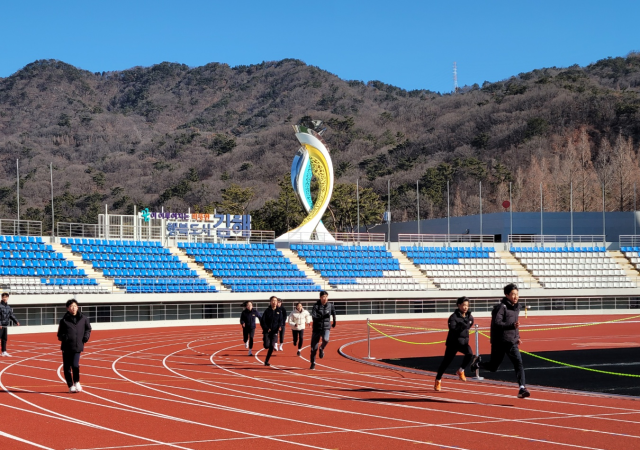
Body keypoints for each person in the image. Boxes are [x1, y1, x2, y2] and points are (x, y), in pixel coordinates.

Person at [471, 283, 530, 399]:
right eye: (513, 294)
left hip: (511, 342)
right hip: (499, 341)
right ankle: (477, 364)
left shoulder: (517, 307)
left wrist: (517, 337)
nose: (515, 297)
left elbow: (515, 324)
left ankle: (522, 388)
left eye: (517, 294)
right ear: (506, 295)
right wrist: (511, 326)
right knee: (493, 367)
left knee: (518, 363)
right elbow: (497, 323)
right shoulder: (500, 307)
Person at [434, 296, 474, 391]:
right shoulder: (453, 317)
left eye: (467, 305)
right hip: (453, 343)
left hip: (463, 343)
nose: (465, 307)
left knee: (470, 354)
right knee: (446, 363)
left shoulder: (469, 316)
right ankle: (438, 380)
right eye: (464, 305)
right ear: (459, 305)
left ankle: (461, 371)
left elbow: (470, 324)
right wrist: (461, 326)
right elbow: (453, 329)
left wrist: (465, 326)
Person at [57, 299, 92, 393]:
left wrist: (86, 337)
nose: (73, 308)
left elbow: (88, 329)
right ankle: (70, 385)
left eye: (75, 306)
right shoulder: (63, 320)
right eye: (71, 306)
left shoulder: (83, 318)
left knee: (75, 365)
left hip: (78, 346)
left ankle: (77, 382)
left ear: (78, 307)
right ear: (67, 308)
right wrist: (65, 337)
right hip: (67, 346)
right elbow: (59, 335)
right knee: (67, 367)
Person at [309, 290, 336, 370]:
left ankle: (322, 348)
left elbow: (333, 313)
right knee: (314, 348)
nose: (325, 298)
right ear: (320, 297)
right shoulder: (316, 306)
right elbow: (314, 316)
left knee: (326, 339)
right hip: (317, 328)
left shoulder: (330, 305)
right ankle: (313, 363)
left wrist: (334, 322)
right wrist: (322, 316)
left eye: (326, 297)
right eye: (323, 297)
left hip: (326, 327)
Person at [260, 296, 282, 367]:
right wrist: (266, 328)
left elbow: (281, 321)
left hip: (274, 331)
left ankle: (266, 361)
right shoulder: (267, 311)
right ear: (270, 302)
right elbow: (262, 321)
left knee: (272, 346)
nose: (274, 302)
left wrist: (280, 326)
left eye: (275, 301)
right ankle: (265, 340)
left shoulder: (279, 311)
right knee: (266, 346)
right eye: (273, 300)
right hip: (267, 331)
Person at [0, 292, 20, 356]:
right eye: (3, 297)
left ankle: (4, 351)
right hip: (0, 325)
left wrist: (16, 321)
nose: (5, 298)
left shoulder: (8, 307)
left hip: (5, 325)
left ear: (8, 298)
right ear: (1, 298)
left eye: (6, 297)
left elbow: (11, 315)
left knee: (4, 339)